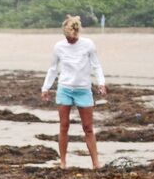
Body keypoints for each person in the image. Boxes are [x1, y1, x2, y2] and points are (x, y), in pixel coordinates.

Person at [40, 15, 107, 169]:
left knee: (88, 128)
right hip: (65, 89)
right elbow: (53, 69)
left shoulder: (88, 45)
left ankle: (96, 163)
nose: (69, 40)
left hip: (83, 90)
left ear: (77, 33)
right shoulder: (59, 47)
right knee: (64, 126)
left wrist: (101, 83)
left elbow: (96, 65)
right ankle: (63, 162)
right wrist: (45, 88)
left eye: (71, 37)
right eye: (66, 37)